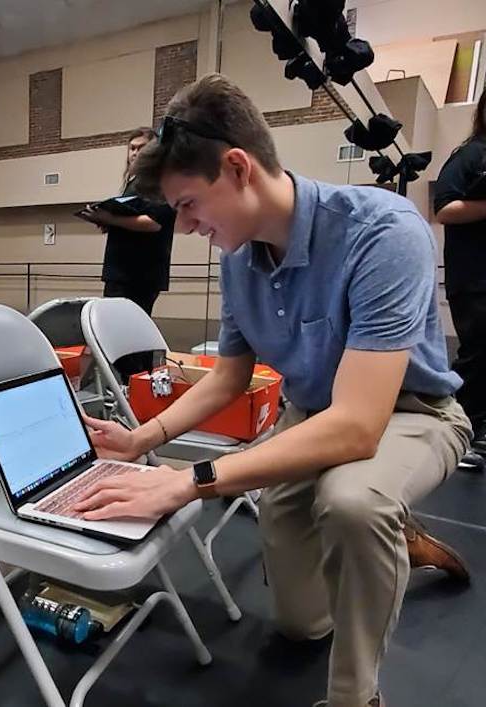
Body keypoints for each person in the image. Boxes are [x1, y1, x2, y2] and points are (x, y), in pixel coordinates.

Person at [72, 75, 471, 707]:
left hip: (410, 414)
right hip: (311, 416)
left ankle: (356, 696)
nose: (188, 225)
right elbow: (230, 376)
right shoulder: (238, 258)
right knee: (300, 622)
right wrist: (143, 437)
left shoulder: (382, 232)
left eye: (190, 206)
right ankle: (397, 539)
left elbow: (359, 426)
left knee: (353, 502)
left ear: (238, 168)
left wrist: (189, 479)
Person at [434, 88, 486, 470]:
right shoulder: (470, 154)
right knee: (478, 353)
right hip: (474, 276)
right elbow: (444, 208)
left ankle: (475, 428)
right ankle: (457, 432)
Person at [82, 127, 177, 317]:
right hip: (123, 271)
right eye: (132, 148)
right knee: (116, 331)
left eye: (141, 148)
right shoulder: (136, 181)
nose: (134, 153)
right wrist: (105, 221)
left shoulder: (158, 180)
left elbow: (153, 222)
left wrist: (110, 218)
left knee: (128, 333)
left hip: (139, 274)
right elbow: (132, 219)